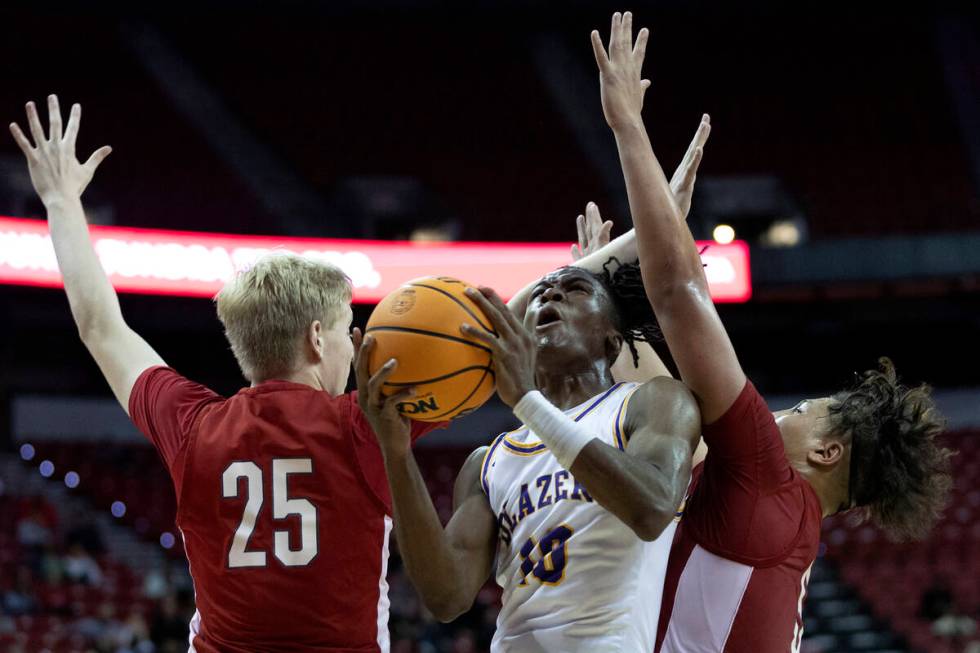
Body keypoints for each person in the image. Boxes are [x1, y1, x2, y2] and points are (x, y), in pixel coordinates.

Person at [9, 96, 446, 652]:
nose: (353, 342)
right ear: (316, 337)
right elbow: (484, 352)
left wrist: (60, 202)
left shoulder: (194, 425)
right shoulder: (368, 424)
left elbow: (101, 327)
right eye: (345, 329)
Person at [587, 13, 954, 652]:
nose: (784, 411)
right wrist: (599, 285)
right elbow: (642, 379)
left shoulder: (766, 479)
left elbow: (677, 291)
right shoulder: (780, 519)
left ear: (827, 452)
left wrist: (629, 131)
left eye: (807, 410)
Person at [354, 132, 710, 650]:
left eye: (574, 290)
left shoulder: (652, 403)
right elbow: (446, 596)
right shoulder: (488, 461)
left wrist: (528, 402)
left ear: (614, 339)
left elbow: (653, 508)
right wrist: (395, 450)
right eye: (542, 293)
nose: (549, 298)